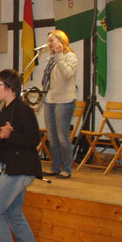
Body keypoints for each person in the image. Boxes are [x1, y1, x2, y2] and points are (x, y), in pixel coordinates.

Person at [0, 69, 43, 242]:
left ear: (10, 88)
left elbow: (33, 139)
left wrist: (11, 135)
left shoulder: (22, 110)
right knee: (13, 213)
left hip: (20, 169)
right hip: (14, 167)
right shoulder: (7, 109)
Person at [41, 30, 78, 179]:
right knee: (52, 137)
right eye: (48, 40)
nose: (49, 43)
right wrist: (41, 101)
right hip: (50, 100)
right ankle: (55, 166)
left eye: (52, 40)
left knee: (63, 137)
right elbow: (46, 81)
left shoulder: (70, 57)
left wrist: (60, 55)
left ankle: (67, 168)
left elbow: (67, 74)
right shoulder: (50, 59)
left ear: (61, 41)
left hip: (64, 101)